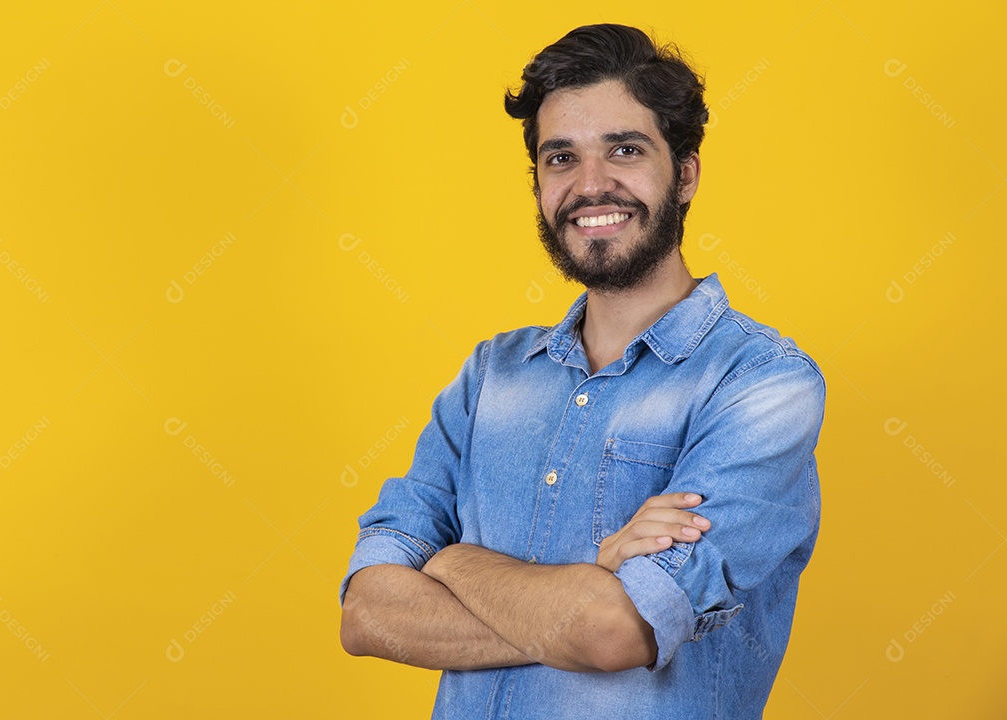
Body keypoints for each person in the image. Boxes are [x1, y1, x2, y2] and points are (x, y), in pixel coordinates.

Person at [339, 23, 826, 719]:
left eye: (624, 150)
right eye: (560, 157)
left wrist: (450, 562)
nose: (591, 185)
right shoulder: (490, 378)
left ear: (684, 173)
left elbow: (613, 631)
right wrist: (594, 576)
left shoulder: (762, 385)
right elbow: (366, 615)